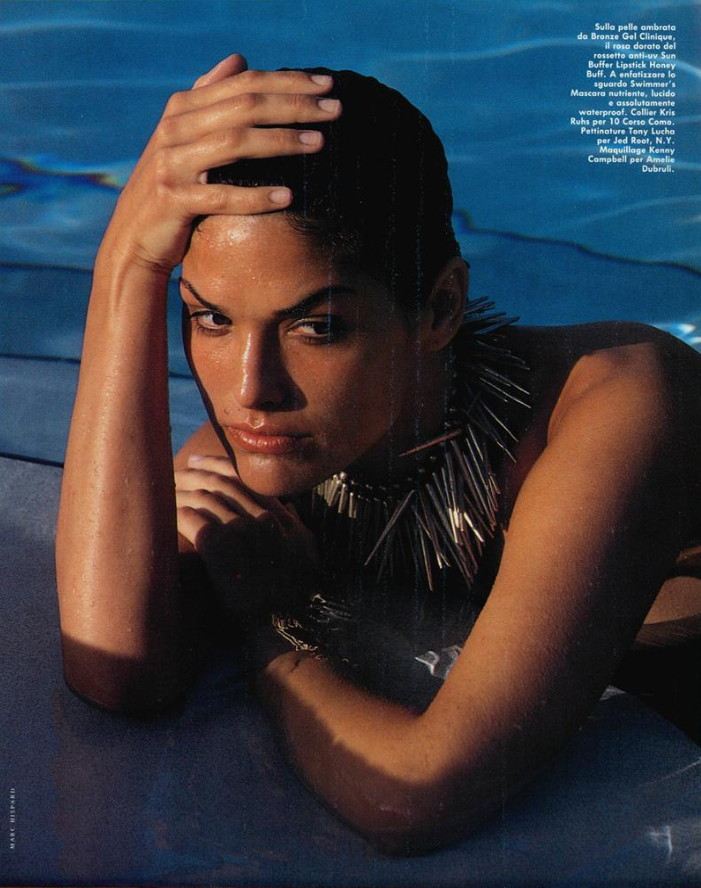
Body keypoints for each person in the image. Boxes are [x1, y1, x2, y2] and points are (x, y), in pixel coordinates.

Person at [55, 53, 701, 855]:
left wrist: (270, 623)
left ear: (439, 308)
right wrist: (124, 266)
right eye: (211, 318)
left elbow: (411, 796)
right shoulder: (271, 447)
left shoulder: (617, 406)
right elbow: (118, 668)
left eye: (318, 327)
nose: (250, 389)